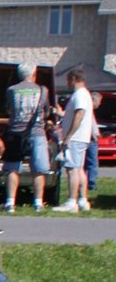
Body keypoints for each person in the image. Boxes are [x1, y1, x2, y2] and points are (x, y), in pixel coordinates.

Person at [0, 64, 51, 212]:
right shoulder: (43, 91)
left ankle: (10, 202)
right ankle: (38, 203)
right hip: (37, 132)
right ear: (34, 74)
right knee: (38, 170)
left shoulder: (11, 90)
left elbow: (8, 109)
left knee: (12, 168)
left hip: (15, 132)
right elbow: (46, 112)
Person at [60, 68, 96, 212]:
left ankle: (71, 201)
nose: (68, 83)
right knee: (79, 169)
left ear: (74, 79)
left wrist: (68, 136)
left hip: (75, 138)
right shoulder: (85, 94)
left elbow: (79, 114)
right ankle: (82, 199)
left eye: (68, 80)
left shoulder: (79, 94)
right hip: (82, 137)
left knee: (72, 169)